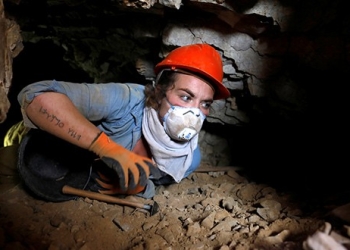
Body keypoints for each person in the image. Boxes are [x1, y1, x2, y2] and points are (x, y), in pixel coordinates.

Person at [17, 43, 230, 200]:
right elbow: (35, 95)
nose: (194, 113)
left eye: (205, 104)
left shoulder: (188, 159)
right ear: (159, 91)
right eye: (185, 97)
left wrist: (140, 187)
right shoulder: (126, 100)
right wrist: (106, 147)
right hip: (50, 144)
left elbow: (154, 183)